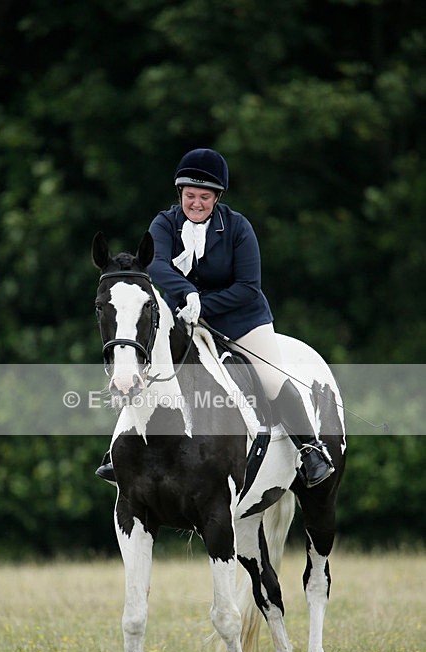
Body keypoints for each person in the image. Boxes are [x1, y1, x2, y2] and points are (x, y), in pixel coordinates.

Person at [96, 148, 334, 488]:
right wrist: (188, 296)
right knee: (140, 371)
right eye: (189, 195)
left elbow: (249, 288)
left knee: (269, 378)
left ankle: (310, 449)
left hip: (241, 321)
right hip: (182, 319)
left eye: (204, 197)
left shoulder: (238, 228)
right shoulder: (165, 223)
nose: (195, 203)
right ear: (180, 194)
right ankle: (116, 453)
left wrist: (203, 305)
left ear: (217, 197)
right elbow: (157, 265)